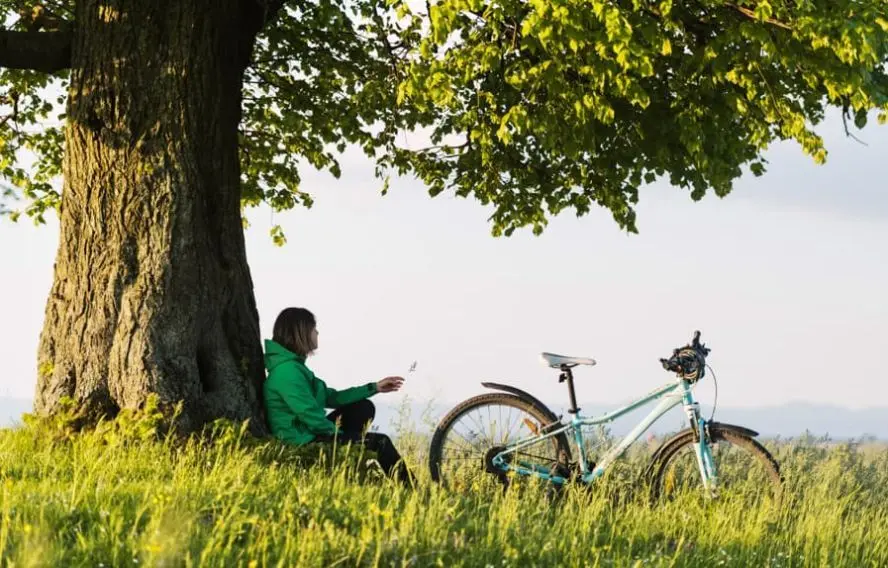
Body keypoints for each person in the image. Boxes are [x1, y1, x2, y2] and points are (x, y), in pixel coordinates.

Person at [263, 307, 414, 485]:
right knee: (381, 443)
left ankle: (348, 463)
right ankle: (413, 490)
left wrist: (374, 387)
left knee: (363, 407)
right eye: (313, 328)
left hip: (310, 432)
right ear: (300, 333)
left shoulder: (295, 368)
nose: (317, 333)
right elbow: (309, 415)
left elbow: (332, 397)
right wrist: (341, 437)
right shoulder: (288, 372)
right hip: (302, 441)